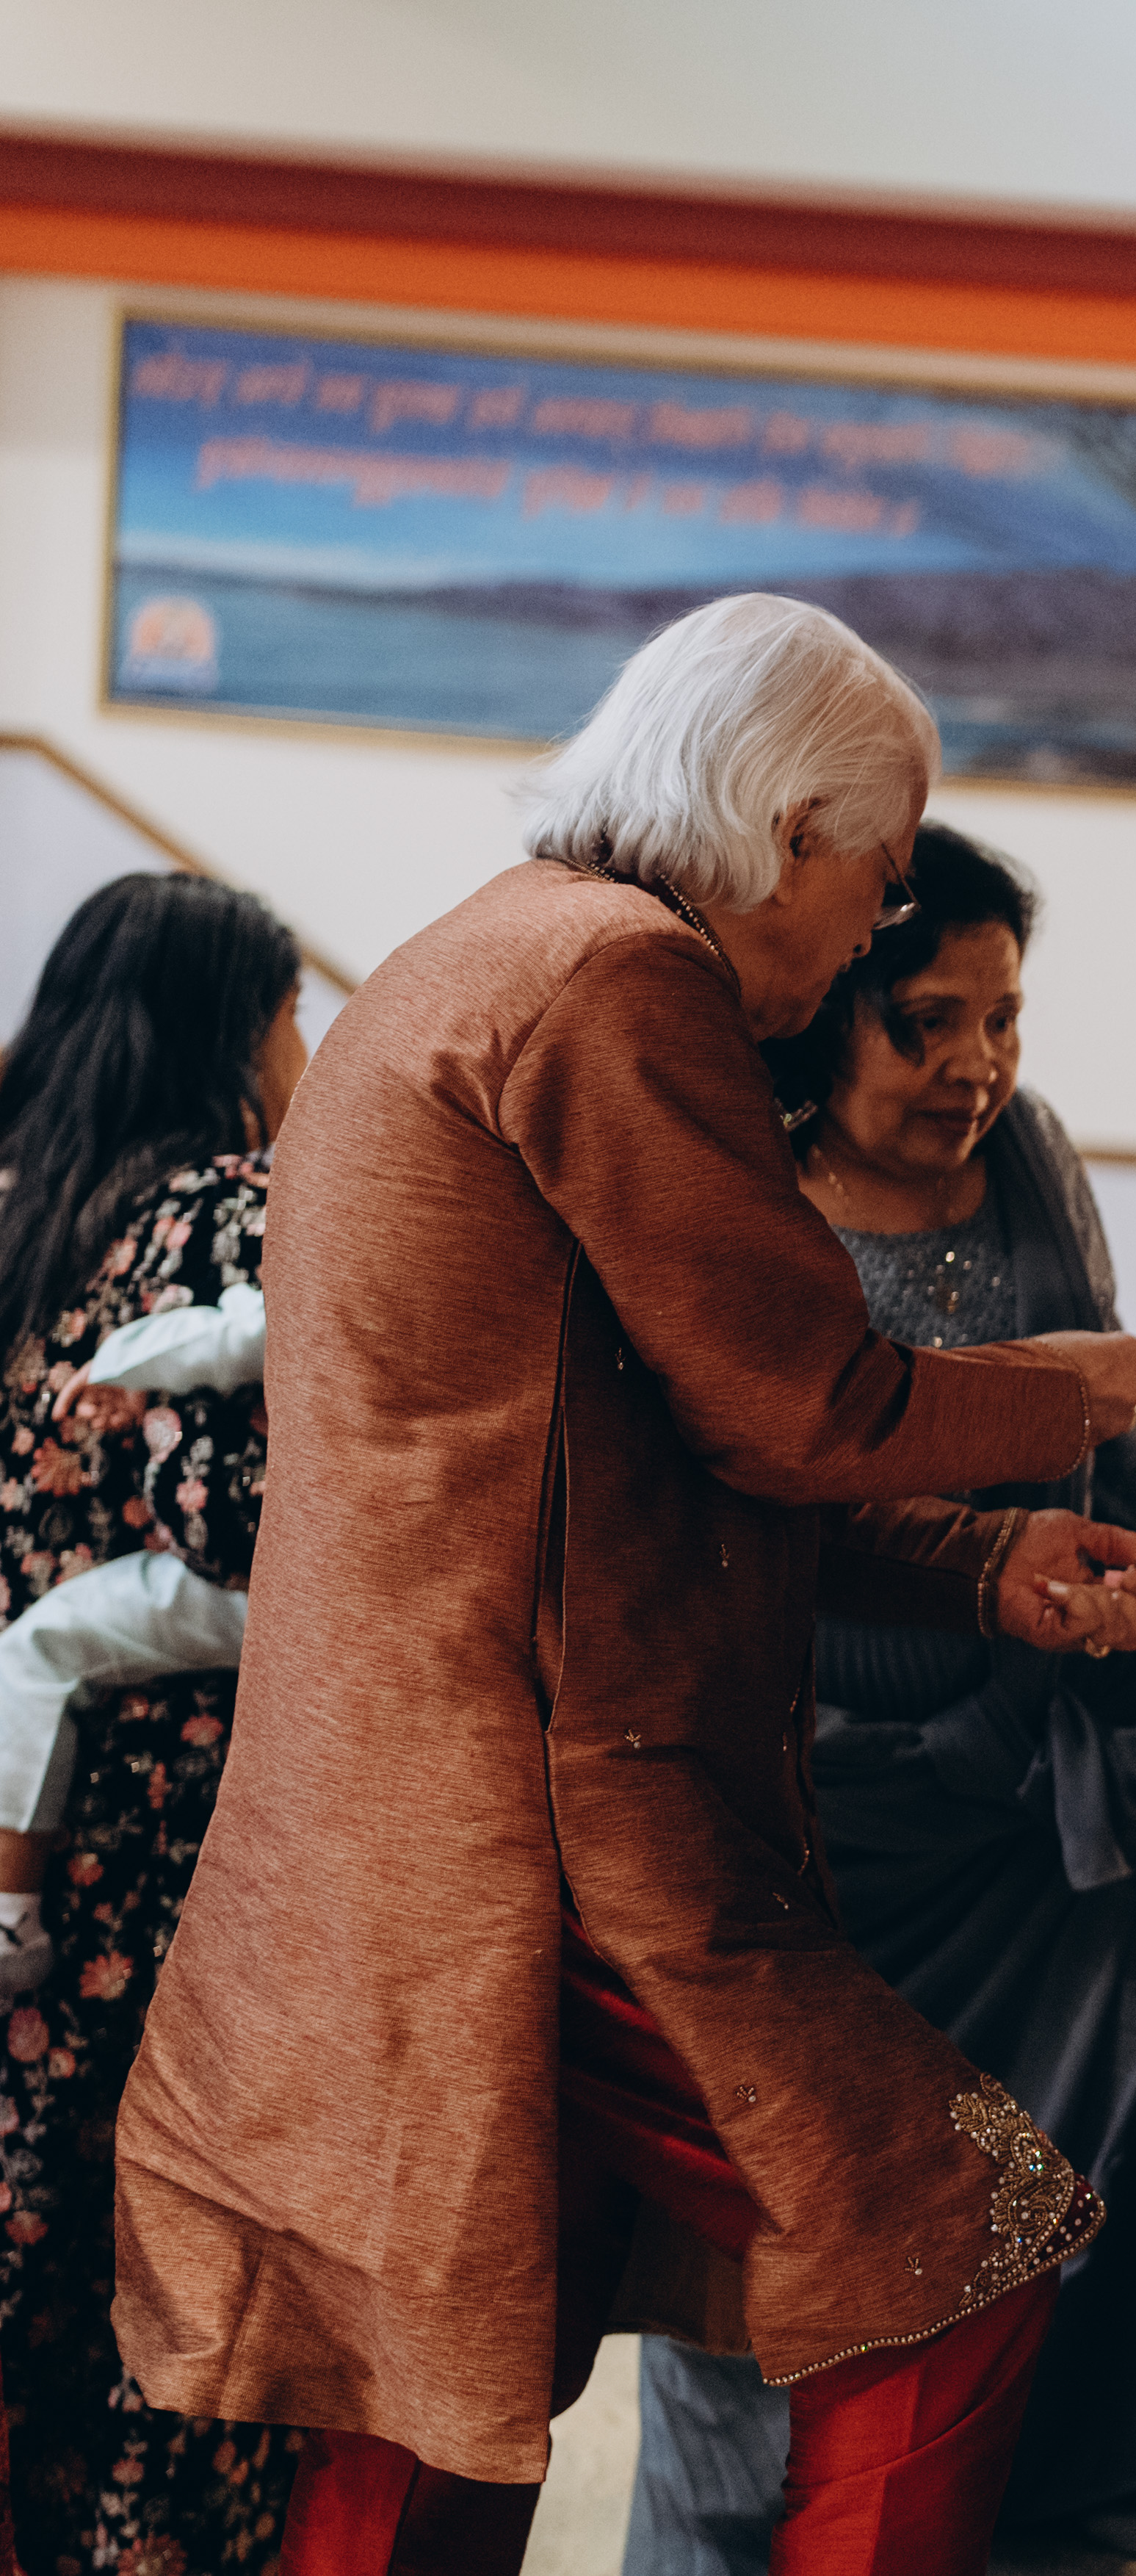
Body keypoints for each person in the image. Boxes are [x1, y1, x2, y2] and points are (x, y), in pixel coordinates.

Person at [112, 594, 1136, 2576]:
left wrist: (983, 1565)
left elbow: (639, 1459)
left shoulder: (488, 945)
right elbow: (795, 1401)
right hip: (551, 1819)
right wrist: (1064, 1393)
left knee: (443, 2378)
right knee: (954, 2249)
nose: (875, 926)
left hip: (434, 1802)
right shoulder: (618, 972)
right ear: (786, 827)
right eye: (876, 876)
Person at [623, 824, 1136, 2576]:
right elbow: (719, 1516)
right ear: (822, 1014)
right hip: (830, 1820)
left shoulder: (1029, 1154)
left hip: (1058, 1801)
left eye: (1002, 1018)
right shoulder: (741, 1196)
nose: (976, 1066)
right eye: (926, 1022)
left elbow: (1110, 1428)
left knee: (1086, 2206)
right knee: (812, 2244)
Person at [0, 874, 304, 2576]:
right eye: (293, 1016)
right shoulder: (229, 1218)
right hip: (158, 1854)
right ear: (235, 1037)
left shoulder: (18, 1200)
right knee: (151, 2308)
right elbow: (242, 1518)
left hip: (14, 1833)